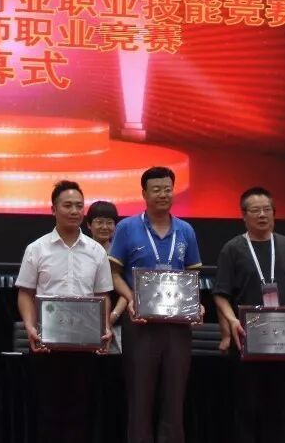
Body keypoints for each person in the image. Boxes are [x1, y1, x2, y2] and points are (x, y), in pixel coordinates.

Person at [212, 187, 285, 443]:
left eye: (267, 209)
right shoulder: (232, 249)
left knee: (278, 409)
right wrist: (232, 320)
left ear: (274, 213)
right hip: (246, 338)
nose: (262, 215)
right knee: (247, 407)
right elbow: (221, 295)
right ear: (243, 215)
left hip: (284, 340)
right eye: (255, 210)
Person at [109, 166, 203, 443]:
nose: (163, 194)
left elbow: (192, 276)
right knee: (140, 398)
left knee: (175, 398)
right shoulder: (127, 228)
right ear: (144, 194)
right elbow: (113, 274)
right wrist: (131, 299)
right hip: (140, 323)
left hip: (177, 326)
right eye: (157, 190)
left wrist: (196, 304)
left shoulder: (185, 230)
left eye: (167, 189)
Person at [15, 180, 114, 443]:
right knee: (47, 412)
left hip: (85, 346)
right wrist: (30, 327)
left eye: (79, 206)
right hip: (46, 345)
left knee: (80, 413)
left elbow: (103, 294)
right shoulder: (37, 249)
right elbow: (25, 293)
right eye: (67, 205)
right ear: (53, 209)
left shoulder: (96, 251)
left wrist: (104, 327)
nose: (74, 211)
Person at [86, 200, 129, 333]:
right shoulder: (80, 252)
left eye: (110, 223)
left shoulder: (120, 254)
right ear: (89, 224)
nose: (105, 227)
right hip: (84, 320)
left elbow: (127, 290)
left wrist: (112, 317)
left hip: (116, 324)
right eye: (99, 222)